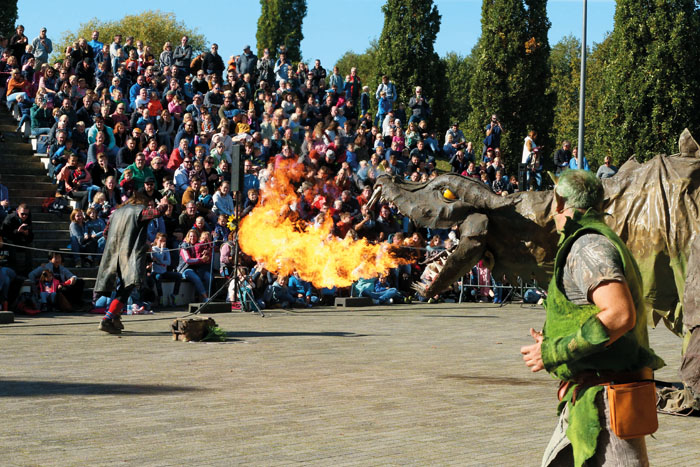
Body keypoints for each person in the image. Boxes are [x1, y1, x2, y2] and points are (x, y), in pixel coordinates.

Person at [520, 170, 665, 466]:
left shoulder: (588, 246)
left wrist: (553, 351)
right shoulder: (592, 240)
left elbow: (619, 314)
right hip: (591, 400)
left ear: (560, 202)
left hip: (608, 405)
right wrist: (556, 336)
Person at [95, 193, 170, 334]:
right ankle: (108, 318)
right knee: (127, 287)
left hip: (113, 252)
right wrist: (164, 204)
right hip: (129, 254)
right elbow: (156, 212)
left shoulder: (116, 213)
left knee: (122, 287)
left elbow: (106, 233)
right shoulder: (138, 211)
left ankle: (115, 316)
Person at [1, 203, 33, 275]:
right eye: (22, 214)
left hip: (21, 240)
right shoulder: (10, 218)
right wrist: (17, 231)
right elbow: (4, 233)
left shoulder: (28, 218)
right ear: (17, 211)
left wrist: (27, 234)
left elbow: (31, 236)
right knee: (11, 247)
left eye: (26, 214)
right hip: (10, 240)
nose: (24, 216)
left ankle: (28, 270)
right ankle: (14, 270)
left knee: (29, 246)